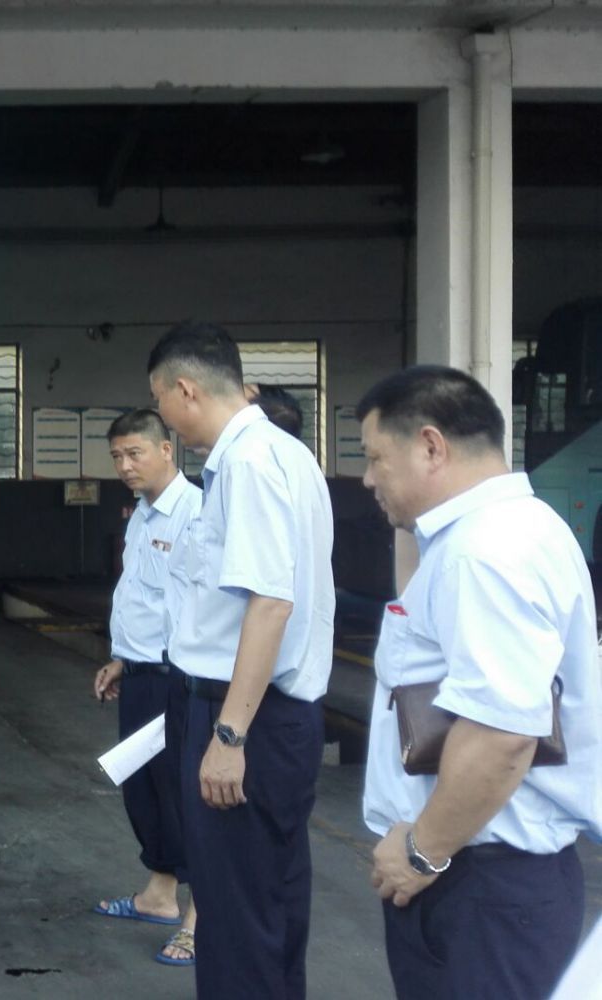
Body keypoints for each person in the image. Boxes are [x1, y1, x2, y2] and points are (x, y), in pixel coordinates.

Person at [357, 365, 599, 1000]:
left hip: (480, 885)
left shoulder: (485, 553)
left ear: (431, 447)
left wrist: (422, 851)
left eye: (376, 458)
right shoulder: (502, 531)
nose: (368, 478)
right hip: (481, 877)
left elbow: (503, 733)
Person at [148, 321, 334, 999]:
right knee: (266, 905)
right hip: (269, 713)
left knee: (235, 916)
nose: (164, 419)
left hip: (248, 715)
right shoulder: (281, 453)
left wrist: (229, 736)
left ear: (185, 389)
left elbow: (270, 603)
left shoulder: (249, 463)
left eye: (159, 402)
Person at [90, 409, 204, 967]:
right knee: (144, 791)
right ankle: (159, 896)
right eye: (117, 456)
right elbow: (142, 597)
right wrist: (122, 658)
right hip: (139, 673)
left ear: (166, 450)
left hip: (179, 681)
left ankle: (200, 918)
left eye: (134, 453)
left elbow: (198, 606)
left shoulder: (195, 513)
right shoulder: (140, 514)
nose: (125, 465)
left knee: (186, 799)